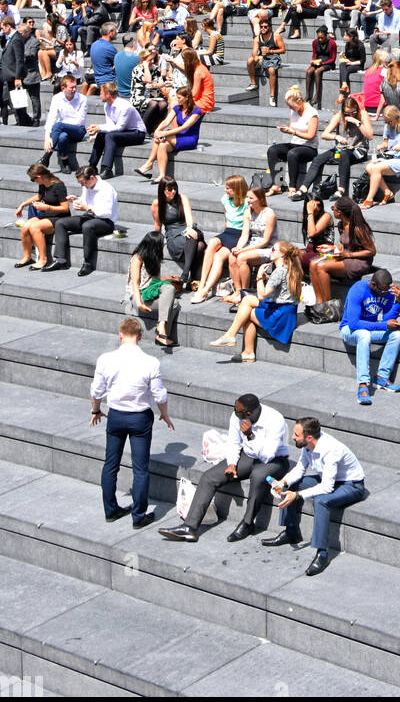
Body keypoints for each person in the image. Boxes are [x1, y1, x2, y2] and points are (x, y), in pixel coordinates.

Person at [160, 393, 291, 543]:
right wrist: (232, 464)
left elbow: (268, 455)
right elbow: (234, 443)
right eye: (235, 409)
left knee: (258, 476)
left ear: (249, 413)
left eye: (238, 412)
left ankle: (248, 524)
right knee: (209, 477)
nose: (235, 413)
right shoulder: (237, 416)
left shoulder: (275, 420)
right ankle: (189, 527)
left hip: (275, 460)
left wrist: (250, 435)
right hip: (248, 455)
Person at [90, 317, 173, 529]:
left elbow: (96, 391)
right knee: (140, 469)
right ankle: (138, 516)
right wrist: (164, 414)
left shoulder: (105, 359)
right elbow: (159, 395)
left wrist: (96, 410)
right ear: (140, 336)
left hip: (116, 415)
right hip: (140, 418)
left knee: (111, 464)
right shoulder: (150, 362)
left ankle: (110, 510)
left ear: (120, 335)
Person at [262, 416, 367, 576]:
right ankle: (291, 532)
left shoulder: (331, 450)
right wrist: (283, 482)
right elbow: (300, 469)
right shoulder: (307, 445)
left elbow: (327, 487)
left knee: (321, 501)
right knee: (292, 485)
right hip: (330, 478)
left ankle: (322, 553)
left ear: (309, 437)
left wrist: (296, 496)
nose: (292, 437)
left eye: (296, 435)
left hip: (351, 485)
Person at [211, 241, 303, 360]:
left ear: (282, 254)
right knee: (247, 301)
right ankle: (233, 338)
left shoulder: (279, 271)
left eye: (274, 249)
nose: (271, 251)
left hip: (279, 317)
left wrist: (259, 276)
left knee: (245, 313)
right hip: (288, 313)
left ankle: (241, 345)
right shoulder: (291, 268)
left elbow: (262, 296)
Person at [338, 268, 400, 404]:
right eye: (384, 290)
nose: (387, 293)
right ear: (373, 285)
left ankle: (382, 377)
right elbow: (354, 323)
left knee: (397, 335)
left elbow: (388, 318)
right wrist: (384, 325)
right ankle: (363, 384)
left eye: (389, 289)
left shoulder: (387, 291)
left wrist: (398, 301)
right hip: (349, 330)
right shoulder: (358, 290)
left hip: (370, 328)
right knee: (364, 335)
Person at [44, 165, 118, 276]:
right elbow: (85, 201)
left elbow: (106, 213)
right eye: (81, 183)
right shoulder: (87, 186)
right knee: (60, 223)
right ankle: (60, 260)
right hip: (90, 216)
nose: (82, 185)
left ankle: (88, 263)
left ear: (92, 178)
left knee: (87, 226)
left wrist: (87, 208)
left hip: (105, 221)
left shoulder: (106, 189)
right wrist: (76, 199)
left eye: (83, 182)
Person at [300, 93, 373, 200]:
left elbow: (370, 136)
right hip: (341, 148)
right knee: (318, 159)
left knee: (344, 155)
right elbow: (325, 134)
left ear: (357, 108)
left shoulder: (363, 114)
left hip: (359, 149)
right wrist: (336, 137)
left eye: (353, 112)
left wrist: (357, 122)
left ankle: (341, 190)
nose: (350, 115)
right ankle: (303, 188)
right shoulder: (339, 116)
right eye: (347, 113)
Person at [189, 176, 249, 300]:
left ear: (237, 189)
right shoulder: (225, 200)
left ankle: (205, 290)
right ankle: (202, 284)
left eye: (228, 188)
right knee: (212, 243)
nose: (225, 190)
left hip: (239, 234)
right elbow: (226, 218)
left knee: (218, 257)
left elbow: (247, 227)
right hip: (228, 232)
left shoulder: (247, 203)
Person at [309, 196, 375, 302]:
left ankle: (328, 305)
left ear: (339, 212)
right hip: (346, 255)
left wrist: (348, 255)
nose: (332, 211)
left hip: (359, 261)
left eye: (333, 209)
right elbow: (347, 246)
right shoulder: (341, 225)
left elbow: (371, 251)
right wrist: (333, 247)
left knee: (321, 266)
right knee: (312, 263)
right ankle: (319, 302)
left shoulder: (357, 229)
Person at [125, 231, 182, 346]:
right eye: (162, 245)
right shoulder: (137, 259)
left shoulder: (154, 258)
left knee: (170, 291)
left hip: (150, 291)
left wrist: (168, 279)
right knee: (174, 303)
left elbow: (154, 282)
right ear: (154, 246)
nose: (163, 247)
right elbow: (135, 284)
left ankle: (161, 328)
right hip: (138, 296)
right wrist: (139, 303)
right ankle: (162, 335)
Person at [137, 85, 203, 183]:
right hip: (178, 137)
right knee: (162, 145)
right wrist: (157, 130)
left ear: (187, 98)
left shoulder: (196, 111)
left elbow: (184, 127)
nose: (177, 100)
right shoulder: (177, 108)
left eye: (179, 98)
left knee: (162, 137)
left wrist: (164, 133)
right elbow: (166, 121)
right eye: (177, 97)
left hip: (190, 139)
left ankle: (149, 163)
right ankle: (162, 176)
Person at [224, 186, 277, 302]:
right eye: (247, 197)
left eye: (251, 198)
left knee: (242, 257)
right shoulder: (247, 212)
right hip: (251, 244)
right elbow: (244, 235)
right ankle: (238, 290)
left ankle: (245, 292)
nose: (248, 200)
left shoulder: (269, 214)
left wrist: (243, 251)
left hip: (267, 248)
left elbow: (265, 240)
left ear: (261, 199)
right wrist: (238, 247)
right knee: (232, 256)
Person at [361, 107, 400, 208]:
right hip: (391, 156)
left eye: (389, 121)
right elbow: (386, 142)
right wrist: (382, 145)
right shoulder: (387, 126)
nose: (388, 124)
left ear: (396, 118)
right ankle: (387, 192)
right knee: (369, 167)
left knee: (376, 168)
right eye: (386, 122)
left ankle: (369, 199)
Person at [15, 162, 71, 269]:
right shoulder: (43, 185)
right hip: (47, 215)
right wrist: (22, 205)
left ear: (39, 177)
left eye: (33, 179)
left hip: (60, 217)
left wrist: (47, 207)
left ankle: (43, 259)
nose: (33, 182)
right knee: (26, 226)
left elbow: (65, 208)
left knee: (34, 227)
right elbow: (38, 197)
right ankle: (27, 257)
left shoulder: (59, 186)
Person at [266, 87, 319, 196]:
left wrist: (293, 132)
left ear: (299, 101)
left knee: (292, 154)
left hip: (309, 148)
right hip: (295, 144)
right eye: (289, 106)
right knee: (273, 150)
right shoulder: (294, 110)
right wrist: (286, 130)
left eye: (291, 105)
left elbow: (311, 135)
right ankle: (277, 184)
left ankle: (292, 187)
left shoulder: (312, 113)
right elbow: (292, 127)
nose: (290, 108)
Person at [86, 81, 146, 178]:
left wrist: (99, 127)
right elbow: (110, 125)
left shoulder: (125, 107)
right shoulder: (107, 105)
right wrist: (97, 128)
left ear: (108, 94)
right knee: (101, 134)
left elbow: (119, 127)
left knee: (110, 136)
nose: (99, 95)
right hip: (124, 132)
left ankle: (107, 169)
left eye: (101, 93)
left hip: (137, 133)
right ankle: (92, 166)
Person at [151, 176, 204, 284]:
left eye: (175, 188)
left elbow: (189, 216)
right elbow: (157, 225)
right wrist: (157, 244)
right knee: (200, 246)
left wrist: (189, 228)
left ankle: (185, 273)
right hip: (173, 235)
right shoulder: (157, 204)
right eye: (170, 189)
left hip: (186, 229)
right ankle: (193, 278)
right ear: (163, 190)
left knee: (195, 234)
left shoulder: (182, 198)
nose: (173, 191)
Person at [41, 73, 88, 170]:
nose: (74, 90)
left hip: (78, 130)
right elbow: (51, 117)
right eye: (71, 88)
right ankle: (65, 162)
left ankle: (46, 156)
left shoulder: (82, 99)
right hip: (63, 130)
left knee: (58, 126)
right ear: (63, 88)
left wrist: (62, 126)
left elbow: (80, 121)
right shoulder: (57, 98)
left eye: (75, 87)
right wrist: (47, 138)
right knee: (63, 137)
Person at [246, 15, 284, 107]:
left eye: (265, 27)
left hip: (274, 57)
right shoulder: (257, 38)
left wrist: (270, 51)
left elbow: (283, 50)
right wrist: (256, 58)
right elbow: (254, 52)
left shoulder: (276, 36)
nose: (263, 28)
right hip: (262, 57)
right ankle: (253, 83)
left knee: (271, 70)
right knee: (250, 60)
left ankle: (272, 96)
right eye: (261, 27)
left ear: (269, 27)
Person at [304, 26, 337, 109]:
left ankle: (317, 95)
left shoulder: (332, 43)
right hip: (318, 61)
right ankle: (308, 95)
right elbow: (314, 54)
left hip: (328, 62)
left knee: (317, 72)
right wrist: (313, 61)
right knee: (309, 71)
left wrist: (323, 63)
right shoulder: (315, 42)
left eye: (322, 38)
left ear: (326, 36)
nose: (320, 40)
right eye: (318, 38)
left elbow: (333, 58)